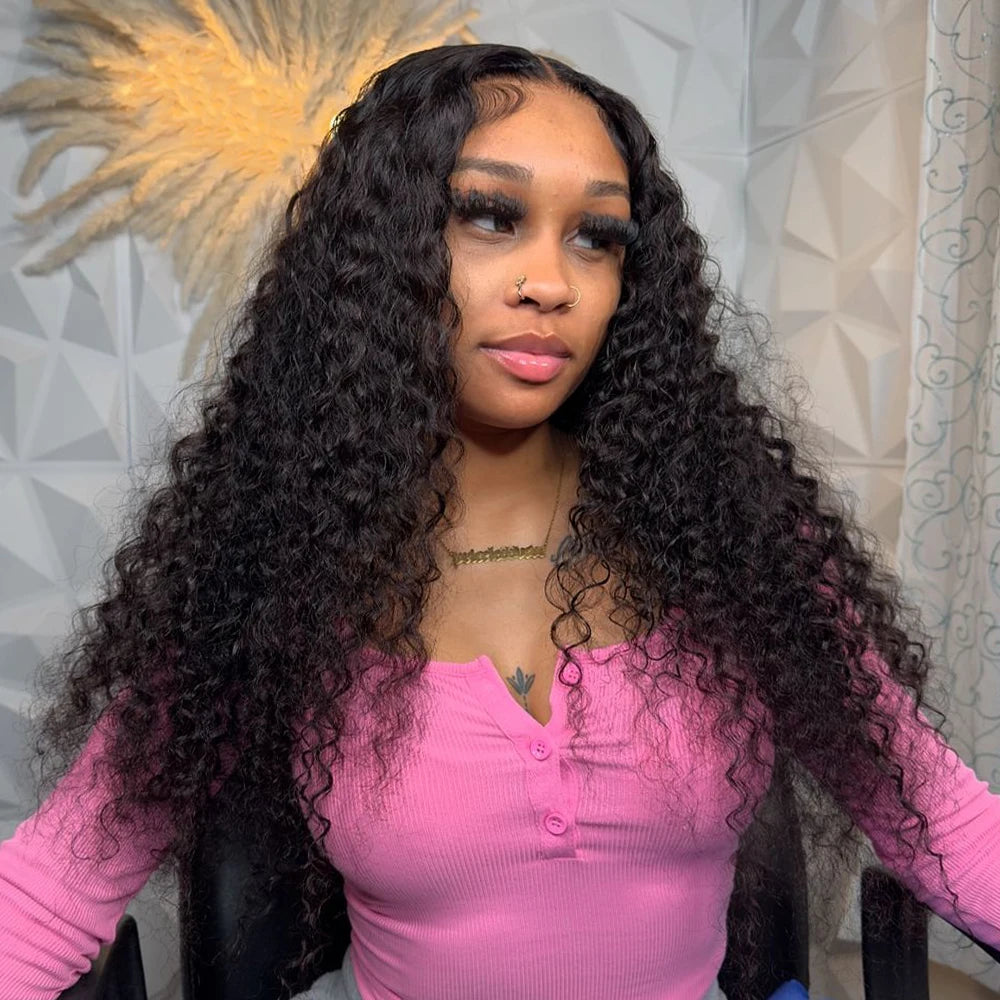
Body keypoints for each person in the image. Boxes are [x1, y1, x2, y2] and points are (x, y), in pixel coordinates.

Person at [0, 42, 997, 1000]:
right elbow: (49, 889)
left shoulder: (733, 542)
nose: (550, 283)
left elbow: (943, 823)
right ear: (381, 253)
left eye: (596, 237)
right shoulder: (275, 568)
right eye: (489, 216)